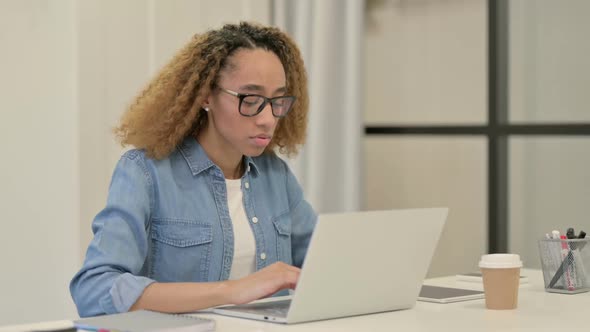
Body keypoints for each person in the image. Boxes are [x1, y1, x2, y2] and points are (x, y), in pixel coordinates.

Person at [70, 22, 317, 317]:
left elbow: (322, 267)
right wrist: (232, 290)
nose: (267, 119)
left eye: (277, 101)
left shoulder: (276, 176)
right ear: (205, 96)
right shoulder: (146, 173)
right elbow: (94, 289)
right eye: (251, 100)